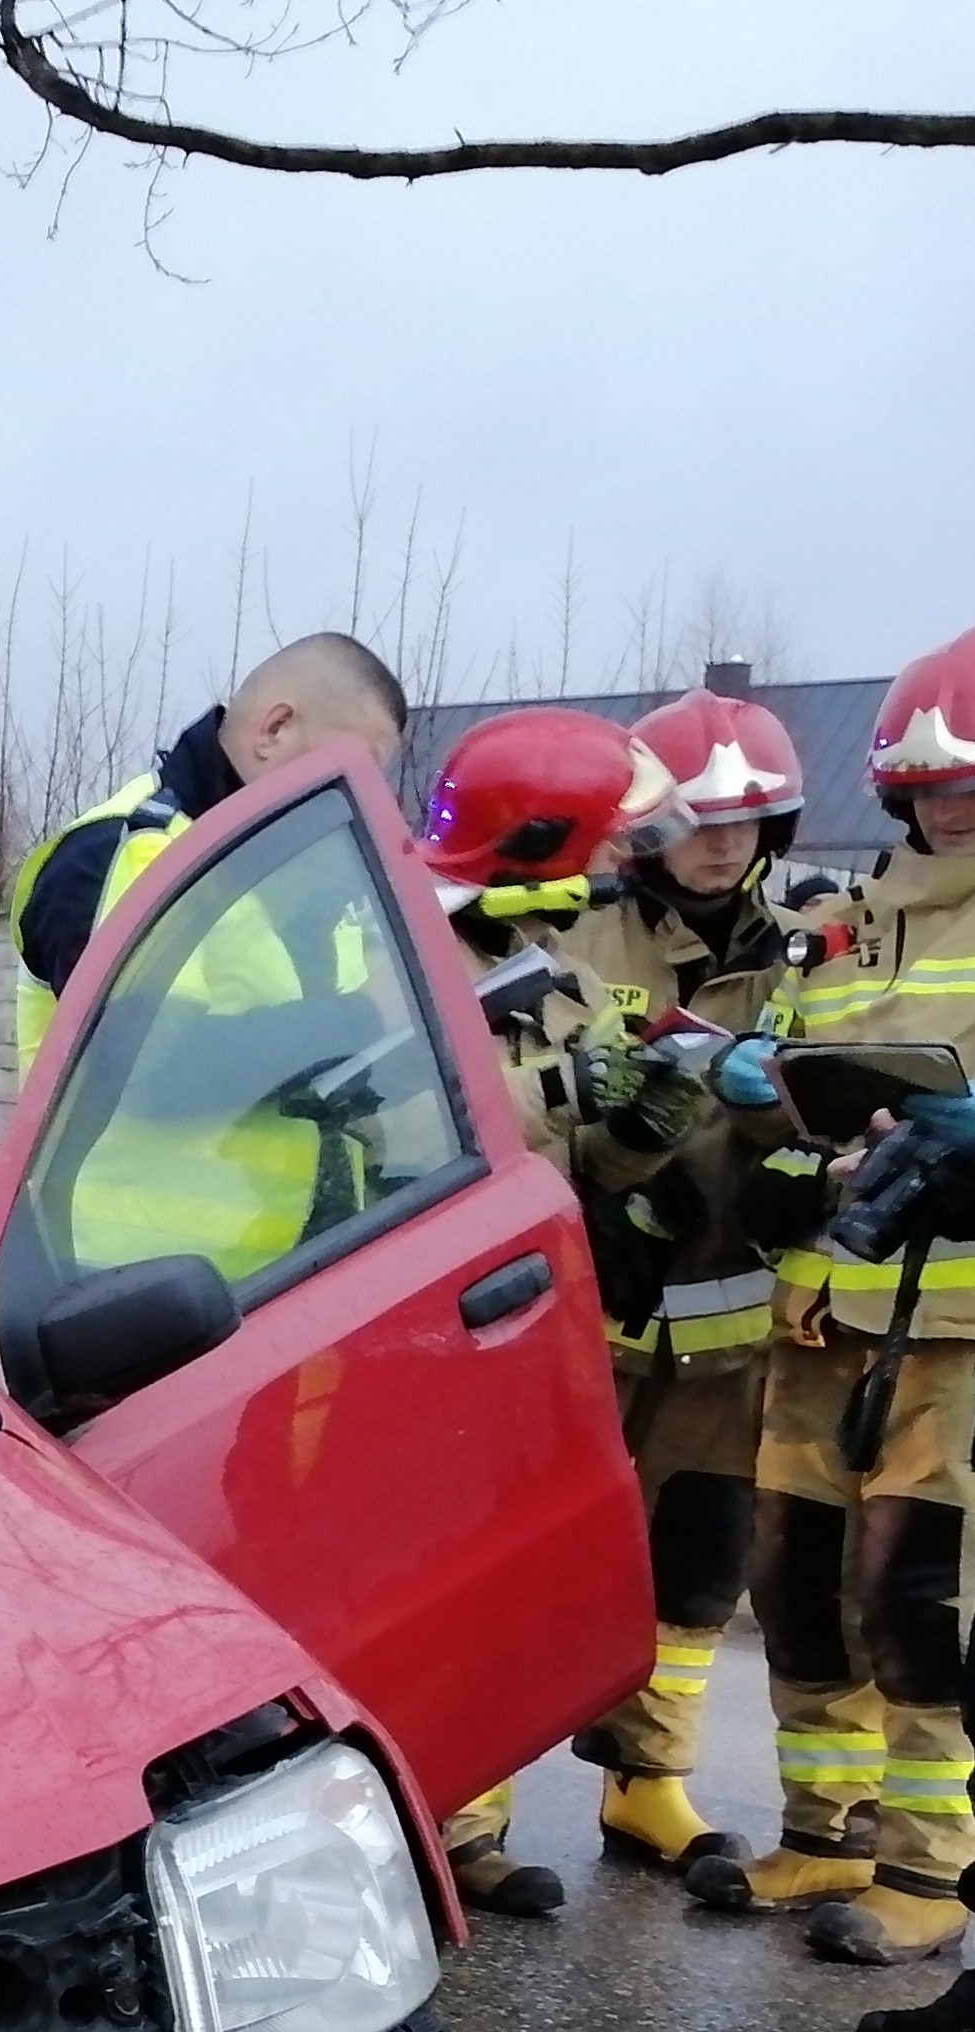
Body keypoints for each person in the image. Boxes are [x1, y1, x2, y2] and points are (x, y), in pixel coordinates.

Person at [414, 709, 713, 1918]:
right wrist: (557, 1082)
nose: (614, 867)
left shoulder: (562, 971)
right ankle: (420, 1821)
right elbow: (409, 1120)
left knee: (495, 1581)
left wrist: (643, 1126)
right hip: (414, 1326)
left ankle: (466, 1823)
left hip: (522, 1316)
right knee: (425, 1578)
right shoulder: (396, 959)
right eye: (600, 842)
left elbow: (585, 1158)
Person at [716, 627, 975, 1972]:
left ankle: (928, 1866)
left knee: (913, 1592)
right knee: (793, 1577)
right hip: (820, 1305)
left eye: (967, 784)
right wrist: (769, 1128)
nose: (948, 807)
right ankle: (825, 1827)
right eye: (926, 785)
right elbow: (800, 1087)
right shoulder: (845, 923)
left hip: (952, 1328)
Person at [556, 689, 808, 1877]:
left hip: (725, 1316)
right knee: (537, 1549)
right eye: (698, 819)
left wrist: (783, 1137)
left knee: (697, 1561)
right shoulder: (577, 940)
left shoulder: (807, 953)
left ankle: (645, 1783)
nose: (719, 842)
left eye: (743, 820)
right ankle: (467, 1812)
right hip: (584, 1302)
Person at [5, 633, 413, 1062]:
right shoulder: (117, 851)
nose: (362, 795)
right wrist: (367, 1015)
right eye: (353, 767)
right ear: (275, 729)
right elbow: (146, 1069)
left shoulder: (297, 874)